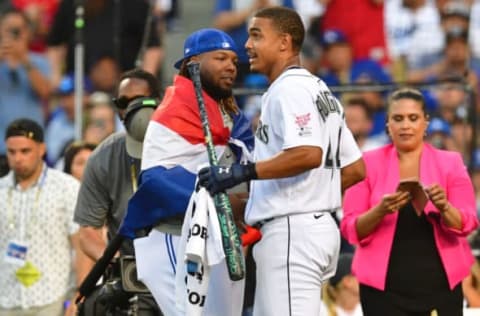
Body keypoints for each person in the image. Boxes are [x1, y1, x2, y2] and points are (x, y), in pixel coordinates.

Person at [199, 7, 365, 315]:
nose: (247, 45)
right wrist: (293, 195)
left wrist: (242, 172)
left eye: (256, 35)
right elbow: (355, 169)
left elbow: (308, 154)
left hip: (293, 233)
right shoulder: (319, 89)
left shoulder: (288, 89)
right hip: (309, 227)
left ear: (284, 43)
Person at [119, 28, 254, 315]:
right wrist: (221, 203)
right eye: (220, 58)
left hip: (220, 238)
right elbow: (155, 181)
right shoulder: (172, 111)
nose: (231, 65)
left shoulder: (228, 111)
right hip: (176, 237)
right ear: (193, 64)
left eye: (233, 59)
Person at [341, 88, 479, 315]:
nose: (405, 125)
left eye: (413, 118)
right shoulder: (366, 163)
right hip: (382, 291)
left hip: (441, 286)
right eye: (398, 118)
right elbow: (350, 228)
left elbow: (467, 223)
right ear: (388, 124)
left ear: (425, 123)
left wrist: (445, 207)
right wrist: (380, 211)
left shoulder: (450, 163)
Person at [73, 69, 162, 315]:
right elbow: (88, 231)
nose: (131, 109)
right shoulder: (103, 156)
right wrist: (115, 263)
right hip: (128, 271)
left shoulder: (187, 146)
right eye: (123, 103)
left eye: (139, 100)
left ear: (160, 100)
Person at [0, 118, 85, 315]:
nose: (18, 158)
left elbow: (80, 245)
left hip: (51, 299)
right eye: (12, 152)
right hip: (6, 299)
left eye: (25, 151)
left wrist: (79, 294)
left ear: (41, 149)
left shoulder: (66, 187)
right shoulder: (1, 190)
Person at [0, 8, 51, 155]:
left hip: (31, 145)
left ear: (28, 33)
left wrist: (24, 59)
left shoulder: (39, 62)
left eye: (18, 30)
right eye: (9, 30)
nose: (14, 35)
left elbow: (45, 92)